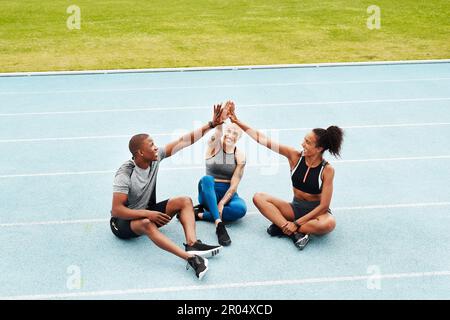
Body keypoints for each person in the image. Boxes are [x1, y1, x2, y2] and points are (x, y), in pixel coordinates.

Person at [110, 104, 226, 280]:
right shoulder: (125, 173)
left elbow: (183, 141)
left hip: (148, 213)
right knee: (147, 223)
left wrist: (211, 124)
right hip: (123, 223)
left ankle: (192, 244)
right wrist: (149, 213)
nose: (156, 147)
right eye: (152, 145)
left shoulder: (155, 158)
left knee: (185, 201)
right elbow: (116, 210)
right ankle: (190, 258)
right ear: (140, 152)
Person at [228, 101, 343, 250]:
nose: (303, 144)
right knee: (259, 197)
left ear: (319, 148)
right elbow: (263, 140)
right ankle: (291, 231)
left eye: (308, 142)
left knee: (329, 224)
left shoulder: (327, 170)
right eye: (304, 140)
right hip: (295, 209)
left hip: (316, 214)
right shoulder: (294, 156)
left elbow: (324, 206)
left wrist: (296, 223)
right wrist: (237, 121)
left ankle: (285, 226)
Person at [194, 101, 247, 246]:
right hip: (207, 191)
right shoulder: (213, 145)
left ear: (239, 137)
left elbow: (234, 185)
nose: (230, 135)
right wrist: (222, 116)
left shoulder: (240, 156)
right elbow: (217, 132)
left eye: (235, 133)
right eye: (228, 131)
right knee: (206, 179)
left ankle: (200, 214)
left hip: (227, 194)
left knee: (241, 209)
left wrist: (223, 203)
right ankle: (219, 224)